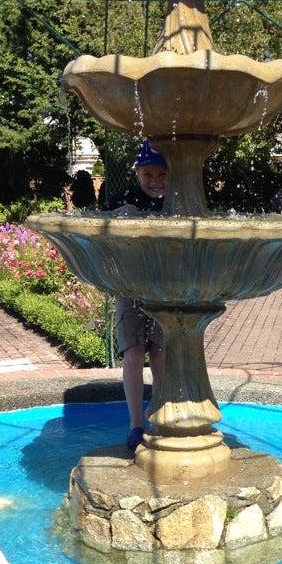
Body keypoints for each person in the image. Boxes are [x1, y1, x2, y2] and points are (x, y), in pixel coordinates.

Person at [110, 140, 167, 450]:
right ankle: (136, 424)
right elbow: (103, 228)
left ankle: (159, 416)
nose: (155, 181)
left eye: (162, 174)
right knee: (133, 351)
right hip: (129, 285)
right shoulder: (124, 198)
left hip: (164, 287)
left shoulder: (176, 201)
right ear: (137, 173)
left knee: (159, 351)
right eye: (148, 174)